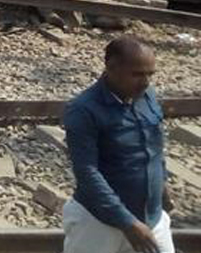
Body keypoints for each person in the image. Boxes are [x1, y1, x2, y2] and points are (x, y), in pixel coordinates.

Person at [62, 36, 173, 253]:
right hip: (98, 224)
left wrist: (161, 184)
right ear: (111, 67)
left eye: (150, 74)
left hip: (151, 218)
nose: (146, 81)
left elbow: (155, 146)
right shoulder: (84, 110)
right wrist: (127, 222)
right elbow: (87, 172)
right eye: (137, 74)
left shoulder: (146, 96)